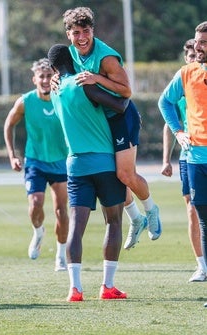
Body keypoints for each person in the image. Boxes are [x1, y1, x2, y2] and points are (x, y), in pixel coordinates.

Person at [57, 6, 162, 250]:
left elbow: (126, 91)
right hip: (100, 120)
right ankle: (136, 219)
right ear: (68, 34)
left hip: (121, 117)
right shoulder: (71, 54)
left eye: (86, 31)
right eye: (76, 32)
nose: (81, 37)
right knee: (110, 175)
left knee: (125, 174)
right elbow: (64, 74)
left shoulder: (106, 57)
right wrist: (55, 78)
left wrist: (97, 78)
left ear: (93, 30)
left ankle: (151, 209)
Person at [48, 43, 128, 302]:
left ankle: (75, 289)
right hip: (103, 162)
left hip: (75, 165)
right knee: (113, 222)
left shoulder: (55, 91)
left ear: (52, 69)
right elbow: (121, 105)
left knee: (76, 227)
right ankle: (107, 286)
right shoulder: (84, 84)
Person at [4, 58, 69, 272]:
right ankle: (39, 232)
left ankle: (60, 256)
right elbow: (9, 124)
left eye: (49, 76)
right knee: (35, 203)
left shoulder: (63, 98)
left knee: (61, 211)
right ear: (34, 79)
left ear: (55, 78)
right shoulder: (26, 101)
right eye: (41, 76)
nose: (45, 80)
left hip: (61, 161)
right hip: (35, 161)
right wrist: (12, 155)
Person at [158, 22, 207, 305]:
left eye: (203, 42)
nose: (198, 47)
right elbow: (165, 102)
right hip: (197, 157)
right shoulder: (187, 72)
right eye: (198, 41)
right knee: (204, 221)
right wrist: (178, 131)